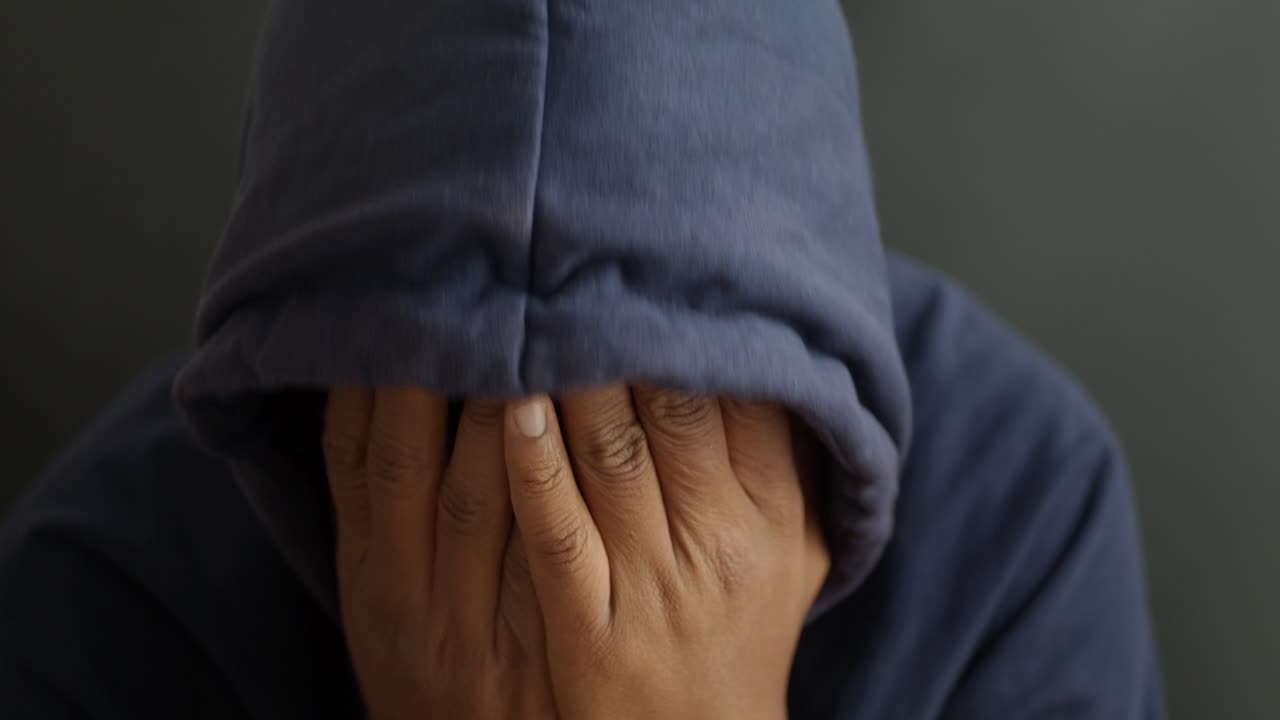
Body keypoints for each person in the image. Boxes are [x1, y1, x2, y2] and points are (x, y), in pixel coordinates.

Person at [0, 0, 1164, 717]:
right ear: (313, 404)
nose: (572, 561)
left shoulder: (1019, 521)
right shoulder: (100, 597)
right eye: (452, 404)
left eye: (677, 406)